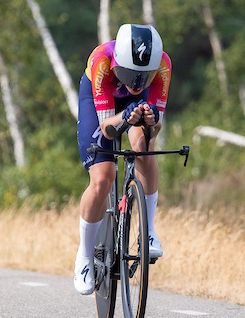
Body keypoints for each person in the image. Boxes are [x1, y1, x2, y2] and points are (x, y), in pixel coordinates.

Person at [74, 24, 172, 295]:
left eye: (144, 77)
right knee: (103, 178)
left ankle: (148, 231)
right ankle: (84, 255)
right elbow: (107, 128)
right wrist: (126, 116)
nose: (135, 83)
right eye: (129, 75)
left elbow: (157, 125)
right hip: (100, 104)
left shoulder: (163, 66)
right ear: (118, 64)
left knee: (144, 146)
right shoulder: (102, 61)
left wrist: (151, 118)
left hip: (134, 107)